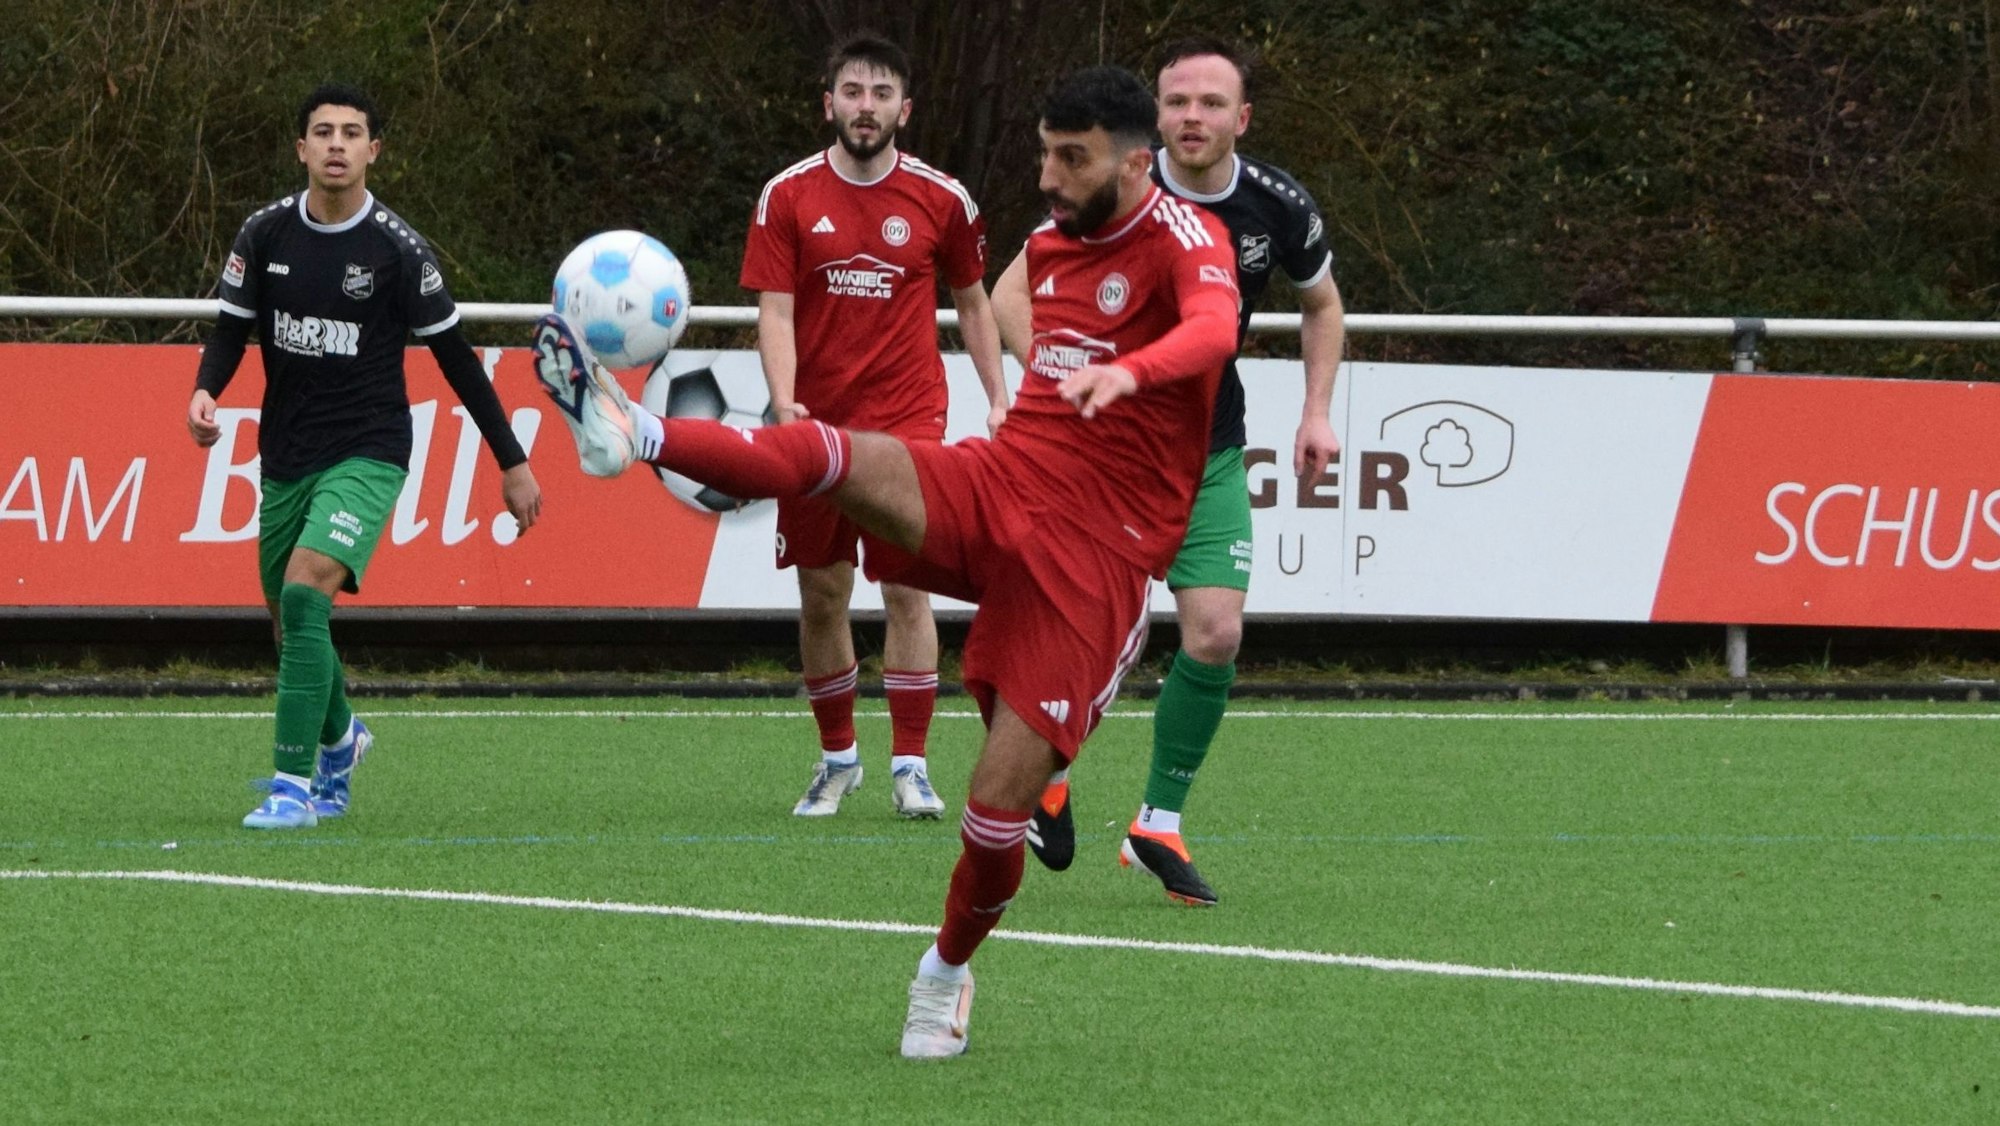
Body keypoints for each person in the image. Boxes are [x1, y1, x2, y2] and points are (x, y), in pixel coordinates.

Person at [530, 66, 1238, 1059]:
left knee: (994, 822)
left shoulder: (1184, 238)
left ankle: (944, 970)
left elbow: (1213, 330)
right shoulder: (1044, 243)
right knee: (827, 453)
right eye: (1043, 152)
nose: (1047, 176)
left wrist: (1134, 371)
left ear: (1131, 161)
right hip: (1003, 483)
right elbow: (1001, 312)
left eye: (1068, 158)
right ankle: (633, 433)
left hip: (1096, 562)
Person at [995, 36, 1345, 906]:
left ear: (1241, 119)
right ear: (1154, 118)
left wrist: (1315, 411)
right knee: (1076, 629)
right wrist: (1060, 380)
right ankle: (1046, 771)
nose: (1193, 117)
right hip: (1096, 459)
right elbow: (1007, 298)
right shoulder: (1100, 193)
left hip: (1205, 452)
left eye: (1212, 103)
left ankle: (1158, 820)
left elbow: (1323, 304)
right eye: (1178, 101)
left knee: (1216, 634)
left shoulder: (1276, 208)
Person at [188, 83, 542, 830]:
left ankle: (293, 787)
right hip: (285, 452)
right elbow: (230, 329)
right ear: (302, 149)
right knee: (290, 626)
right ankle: (344, 739)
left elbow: (457, 361)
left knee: (303, 594)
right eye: (323, 132)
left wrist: (511, 461)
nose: (338, 144)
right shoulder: (264, 234)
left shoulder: (399, 251)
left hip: (370, 451)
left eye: (353, 133)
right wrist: (205, 390)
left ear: (374, 151)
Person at [742, 33, 1008, 821]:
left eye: (881, 94)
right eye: (853, 92)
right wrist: (785, 400)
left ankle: (913, 766)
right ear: (829, 104)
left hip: (907, 421)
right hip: (817, 426)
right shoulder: (786, 196)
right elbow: (775, 310)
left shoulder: (942, 199)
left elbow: (974, 302)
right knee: (823, 595)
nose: (867, 107)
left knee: (908, 587)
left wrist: (997, 396)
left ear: (905, 109)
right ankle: (837, 760)